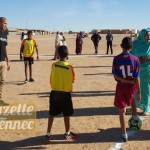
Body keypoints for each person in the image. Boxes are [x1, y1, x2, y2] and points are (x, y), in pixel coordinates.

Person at [44, 45, 78, 142]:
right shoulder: (69, 67)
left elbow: (51, 79)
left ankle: (48, 134)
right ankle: (67, 133)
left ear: (58, 55)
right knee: (66, 115)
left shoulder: (54, 65)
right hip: (65, 94)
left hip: (54, 93)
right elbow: (73, 80)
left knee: (52, 114)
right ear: (67, 55)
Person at [112, 37, 141, 142]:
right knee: (133, 99)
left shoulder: (116, 59)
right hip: (132, 87)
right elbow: (137, 77)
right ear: (131, 47)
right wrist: (139, 92)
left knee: (121, 112)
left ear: (121, 46)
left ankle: (124, 135)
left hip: (121, 87)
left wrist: (124, 81)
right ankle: (135, 117)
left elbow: (115, 76)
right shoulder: (135, 59)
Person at [131, 28, 150, 116]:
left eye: (149, 35)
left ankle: (146, 107)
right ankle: (136, 106)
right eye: (146, 35)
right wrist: (137, 59)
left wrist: (147, 58)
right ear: (142, 35)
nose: (148, 37)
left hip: (147, 70)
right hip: (136, 69)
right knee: (135, 88)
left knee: (145, 89)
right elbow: (130, 54)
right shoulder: (135, 44)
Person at [0, 17, 10, 105]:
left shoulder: (5, 33)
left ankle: (0, 98)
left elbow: (5, 47)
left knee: (2, 80)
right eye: (4, 23)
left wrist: (8, 60)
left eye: (6, 23)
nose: (6, 25)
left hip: (3, 61)